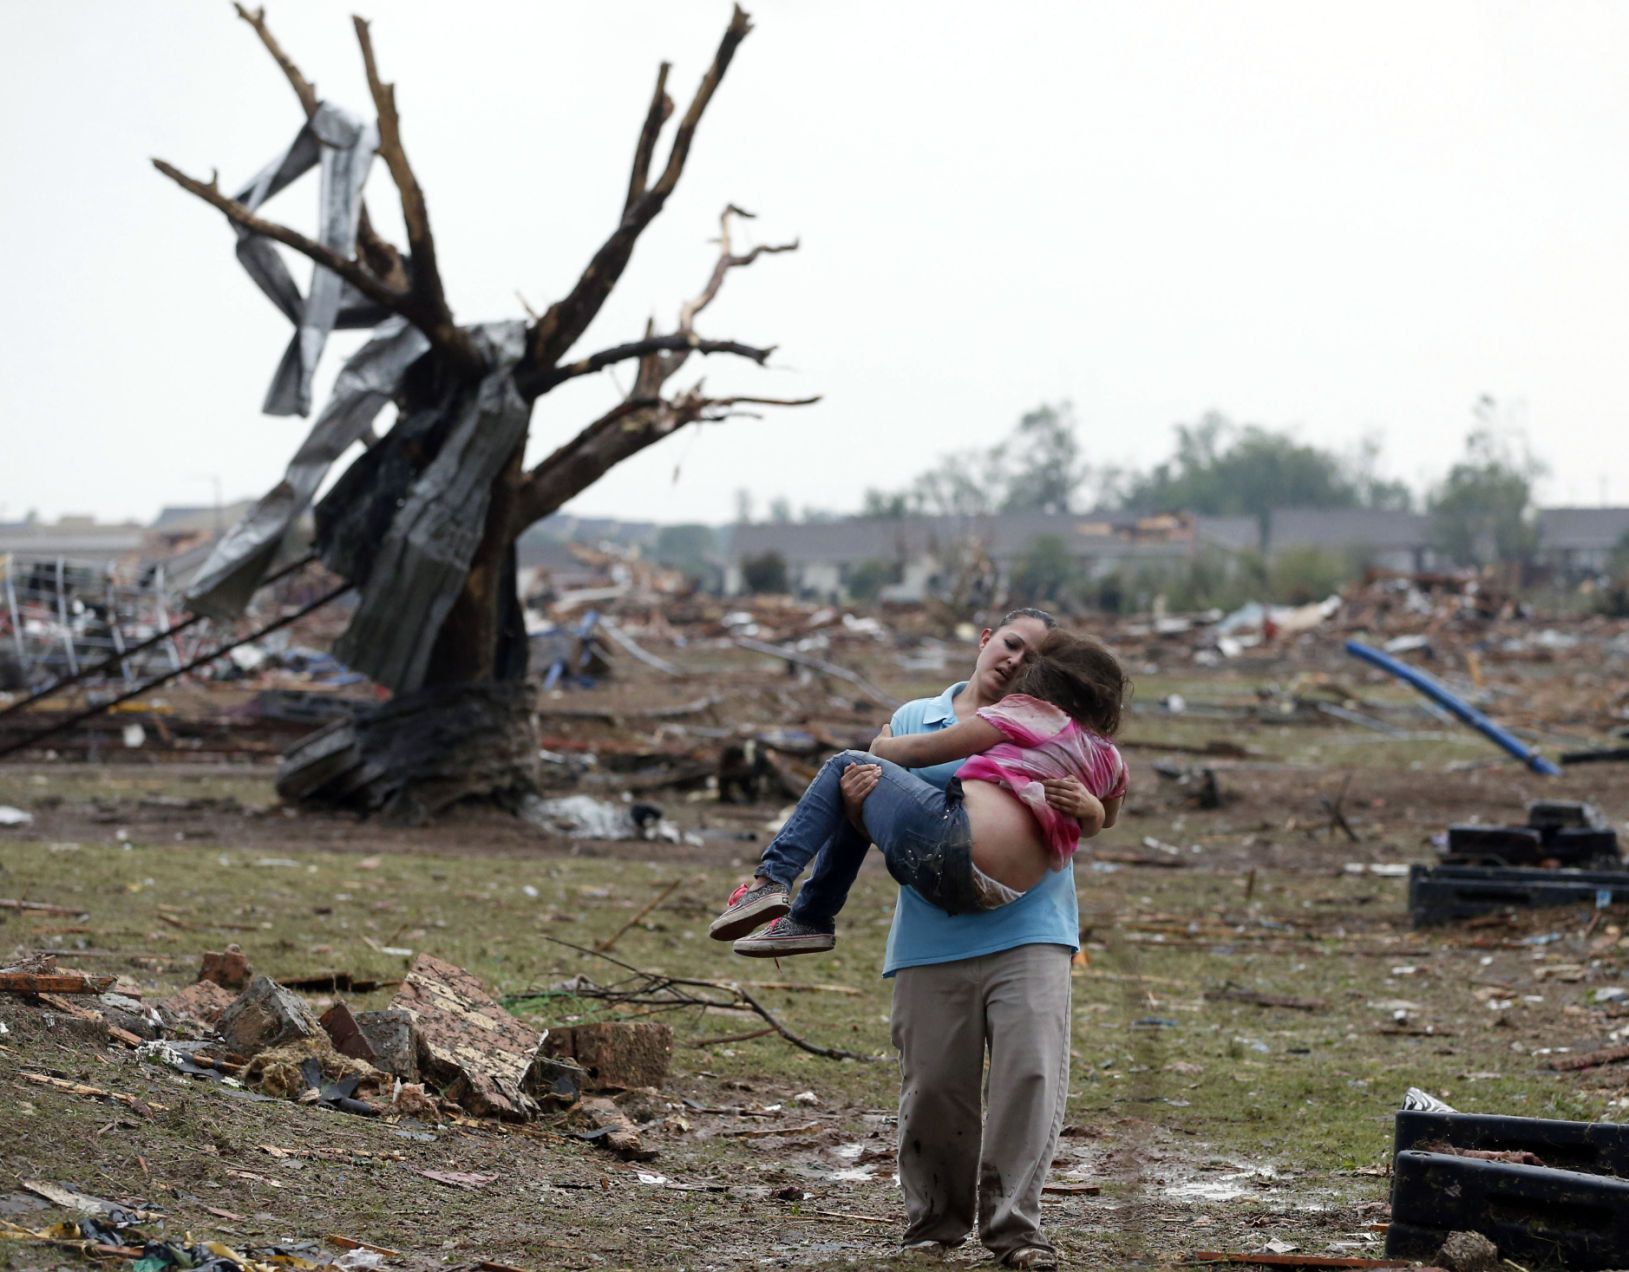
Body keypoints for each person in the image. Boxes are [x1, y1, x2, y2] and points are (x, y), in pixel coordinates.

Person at [726, 608, 1107, 1268]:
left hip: (1032, 933)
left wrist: (1091, 806)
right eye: (1010, 643)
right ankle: (933, 1226)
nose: (1016, 661)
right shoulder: (912, 721)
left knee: (1030, 1078)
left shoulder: (1057, 726)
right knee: (932, 1089)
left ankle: (1016, 1230)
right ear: (986, 638)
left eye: (1034, 657)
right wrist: (853, 797)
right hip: (931, 938)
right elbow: (884, 817)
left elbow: (1102, 802)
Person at [707, 627, 1126, 939]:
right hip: (1001, 892)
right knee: (862, 787)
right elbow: (1107, 818)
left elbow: (927, 751)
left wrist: (881, 748)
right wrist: (1090, 810)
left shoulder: (1027, 711)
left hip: (957, 845)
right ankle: (809, 918)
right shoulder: (1111, 757)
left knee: (848, 767)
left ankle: (773, 884)